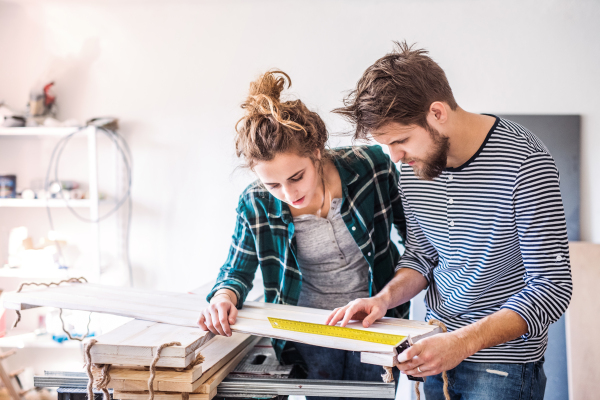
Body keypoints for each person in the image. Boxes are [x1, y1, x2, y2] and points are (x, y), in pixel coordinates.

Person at [327, 42, 573, 400]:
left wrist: (460, 343)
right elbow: (422, 257)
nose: (395, 157)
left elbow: (551, 287)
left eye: (401, 141)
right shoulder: (414, 170)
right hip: (433, 348)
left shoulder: (526, 163)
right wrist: (383, 298)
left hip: (502, 368)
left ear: (437, 113)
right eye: (386, 146)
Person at [197, 70, 409, 398]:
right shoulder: (256, 202)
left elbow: (416, 239)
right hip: (308, 328)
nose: (288, 193)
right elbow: (236, 271)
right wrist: (223, 298)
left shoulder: (371, 167)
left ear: (316, 152)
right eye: (273, 184)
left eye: (297, 176)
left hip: (376, 323)